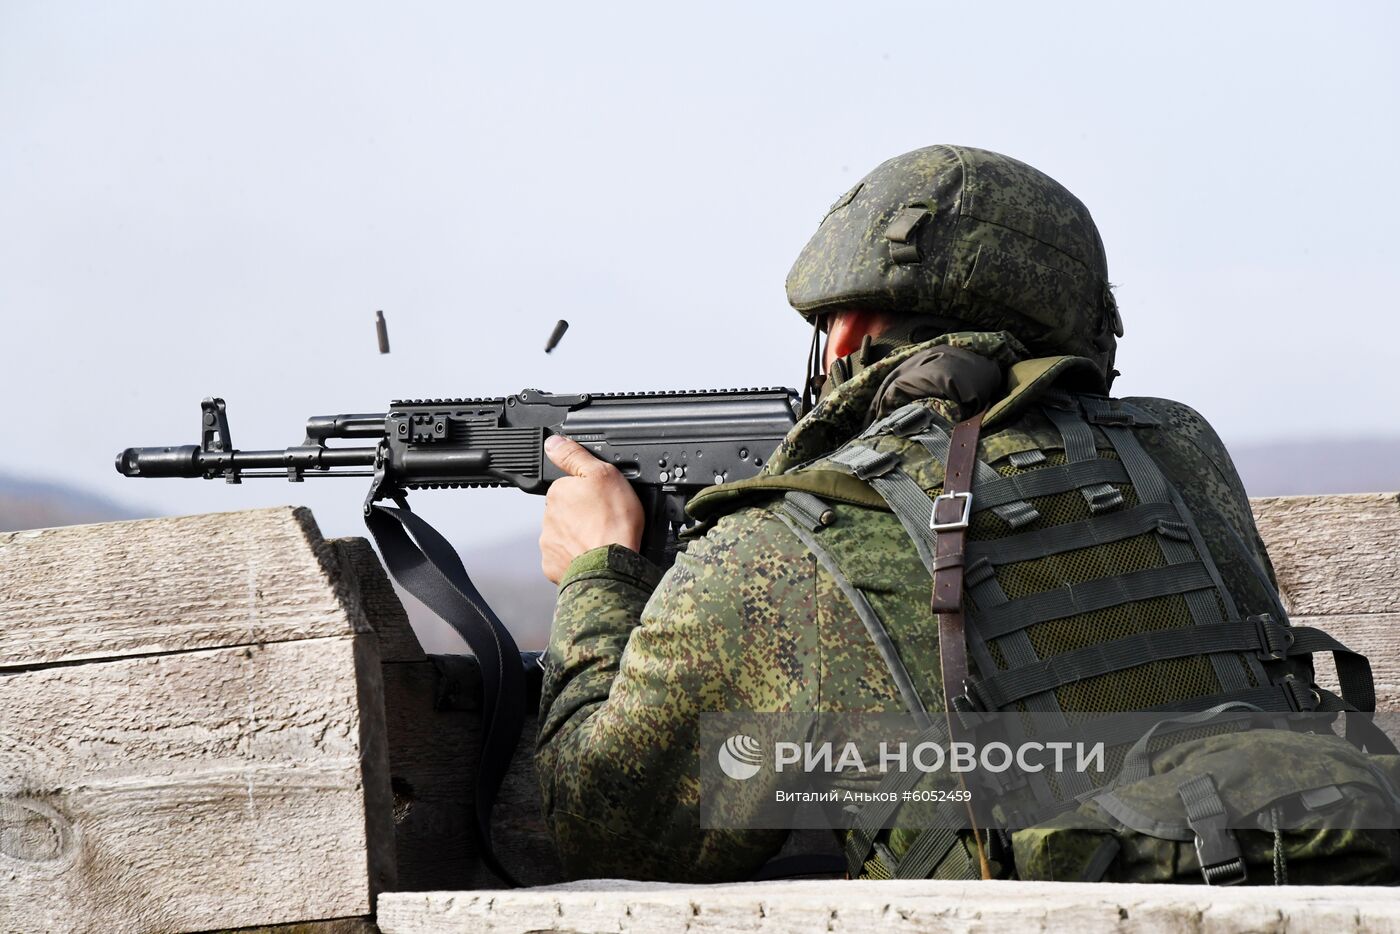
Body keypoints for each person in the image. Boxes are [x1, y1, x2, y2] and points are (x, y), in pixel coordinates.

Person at [532, 145, 1347, 883]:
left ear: (844, 326)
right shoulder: (1180, 450)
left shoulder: (786, 545)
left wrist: (598, 571)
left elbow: (612, 830)